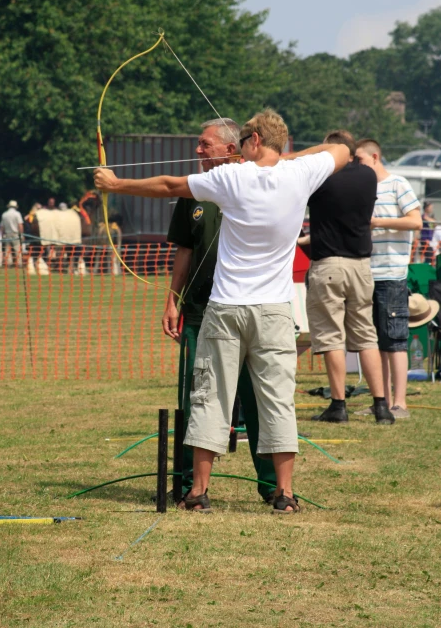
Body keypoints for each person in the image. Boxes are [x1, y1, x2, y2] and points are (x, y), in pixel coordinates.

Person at [94, 108, 350, 513]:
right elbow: (340, 150)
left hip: (227, 307)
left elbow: (167, 185)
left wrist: (116, 183)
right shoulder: (300, 174)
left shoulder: (233, 177)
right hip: (274, 310)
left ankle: (198, 493)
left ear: (251, 142)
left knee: (210, 397)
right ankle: (283, 495)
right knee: (277, 401)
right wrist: (281, 157)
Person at [163, 117, 278, 507]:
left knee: (260, 399)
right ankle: (188, 486)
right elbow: (184, 250)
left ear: (231, 149)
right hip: (198, 312)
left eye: (204, 144)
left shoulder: (258, 182)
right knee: (199, 398)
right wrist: (171, 300)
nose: (197, 150)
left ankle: (274, 487)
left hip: (249, 310)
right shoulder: (192, 191)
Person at [292, 130, 394, 425]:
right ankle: (381, 406)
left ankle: (338, 405)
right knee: (366, 336)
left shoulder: (322, 178)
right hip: (362, 266)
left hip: (329, 266)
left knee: (331, 337)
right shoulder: (367, 176)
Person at [355, 138, 422, 419]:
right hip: (367, 273)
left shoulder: (398, 183)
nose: (355, 166)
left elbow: (416, 221)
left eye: (359, 160)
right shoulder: (364, 188)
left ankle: (400, 403)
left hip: (392, 274)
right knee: (374, 340)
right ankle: (380, 400)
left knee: (394, 339)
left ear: (374, 156)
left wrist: (377, 222)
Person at [0, 200, 24, 266]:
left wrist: (2, 235)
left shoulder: (4, 214)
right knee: (17, 249)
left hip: (7, 234)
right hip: (15, 234)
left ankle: (9, 263)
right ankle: (19, 264)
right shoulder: (17, 214)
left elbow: (2, 226)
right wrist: (22, 234)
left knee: (7, 250)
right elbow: (20, 225)